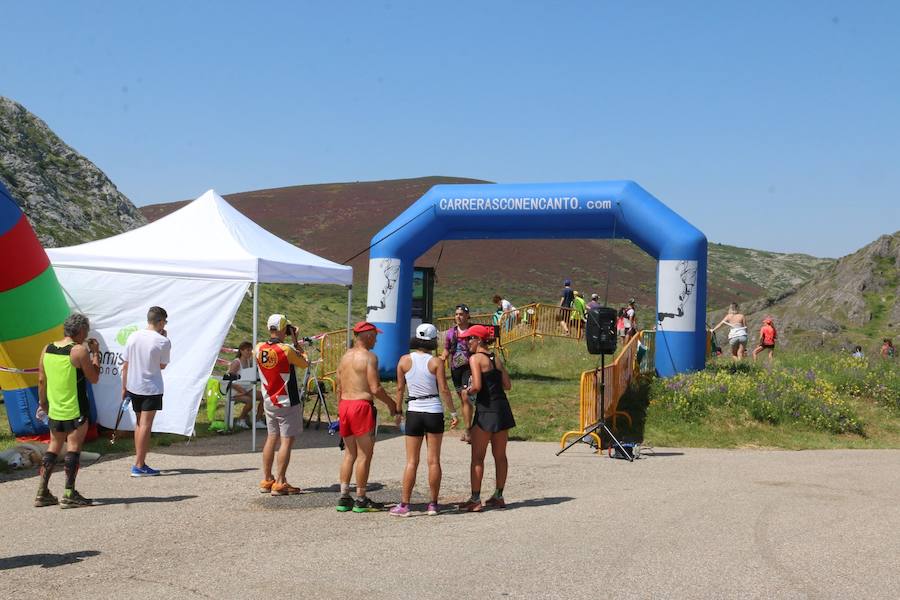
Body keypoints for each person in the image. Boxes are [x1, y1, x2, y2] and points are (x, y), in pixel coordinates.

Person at [390, 324, 459, 517]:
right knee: (434, 460)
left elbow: (399, 389)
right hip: (434, 410)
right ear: (433, 340)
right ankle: (433, 504)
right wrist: (453, 412)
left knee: (411, 461)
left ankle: (404, 505)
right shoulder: (436, 362)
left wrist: (397, 412)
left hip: (414, 410)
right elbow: (444, 390)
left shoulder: (404, 360)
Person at [34, 313, 101, 508]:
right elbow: (94, 378)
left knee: (53, 447)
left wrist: (43, 402)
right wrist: (95, 353)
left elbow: (41, 379)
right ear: (80, 331)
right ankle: (69, 493)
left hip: (55, 408)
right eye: (86, 331)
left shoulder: (47, 348)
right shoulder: (79, 351)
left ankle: (42, 492)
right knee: (73, 449)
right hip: (76, 408)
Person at [335, 321, 402, 513]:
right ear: (367, 336)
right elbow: (375, 388)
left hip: (345, 405)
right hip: (361, 405)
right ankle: (361, 498)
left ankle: (344, 496)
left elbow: (339, 386)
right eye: (375, 336)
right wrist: (392, 405)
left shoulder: (345, 356)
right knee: (365, 454)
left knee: (349, 453)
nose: (377, 339)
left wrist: (340, 410)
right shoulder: (370, 357)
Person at [458, 324, 515, 512]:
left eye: (469, 339)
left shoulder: (475, 359)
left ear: (479, 340)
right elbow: (507, 385)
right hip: (502, 408)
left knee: (477, 457)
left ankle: (475, 499)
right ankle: (498, 496)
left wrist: (466, 391)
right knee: (500, 456)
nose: (467, 343)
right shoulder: (495, 358)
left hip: (485, 410)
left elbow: (477, 386)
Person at [255, 314, 308, 496]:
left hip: (269, 399)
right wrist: (296, 341)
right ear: (284, 329)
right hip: (287, 400)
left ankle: (267, 479)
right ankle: (280, 482)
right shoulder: (286, 349)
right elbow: (305, 362)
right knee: (286, 441)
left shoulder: (258, 348)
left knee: (271, 437)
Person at [122, 306, 172, 477]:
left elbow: (126, 364)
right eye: (164, 321)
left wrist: (124, 387)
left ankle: (139, 461)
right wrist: (163, 338)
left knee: (139, 424)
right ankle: (139, 464)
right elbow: (162, 365)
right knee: (145, 425)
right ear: (159, 322)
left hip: (134, 386)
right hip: (151, 387)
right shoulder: (162, 341)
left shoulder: (133, 336)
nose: (165, 324)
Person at [440, 304, 474, 443]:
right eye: (456, 314)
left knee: (466, 397)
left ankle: (468, 431)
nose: (458, 317)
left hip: (470, 368)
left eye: (461, 314)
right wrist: (442, 359)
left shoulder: (473, 330)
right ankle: (468, 427)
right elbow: (446, 349)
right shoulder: (450, 333)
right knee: (462, 399)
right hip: (455, 369)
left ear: (467, 316)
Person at [227, 341, 265, 429]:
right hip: (235, 390)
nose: (249, 352)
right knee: (250, 401)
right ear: (241, 351)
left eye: (250, 350)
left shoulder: (249, 362)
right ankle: (240, 420)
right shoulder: (236, 362)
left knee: (264, 397)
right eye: (247, 350)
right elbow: (229, 379)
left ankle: (257, 420)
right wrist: (242, 391)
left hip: (246, 389)